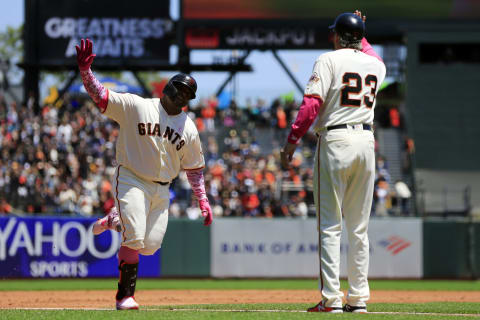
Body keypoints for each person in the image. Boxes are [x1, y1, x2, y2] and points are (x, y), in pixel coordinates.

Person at [76, 38, 213, 310]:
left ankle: (114, 220)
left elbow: (194, 169)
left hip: (163, 189)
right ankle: (125, 296)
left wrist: (203, 201)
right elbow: (101, 96)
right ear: (168, 88)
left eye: (187, 94)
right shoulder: (139, 106)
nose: (181, 95)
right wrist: (85, 71)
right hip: (132, 179)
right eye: (179, 89)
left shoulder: (189, 128)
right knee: (135, 237)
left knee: (149, 246)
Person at [281, 11, 386, 314]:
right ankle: (358, 299)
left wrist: (291, 143)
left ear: (339, 36)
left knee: (330, 227)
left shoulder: (328, 60)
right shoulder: (376, 65)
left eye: (334, 33)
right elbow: (368, 52)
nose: (331, 37)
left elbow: (311, 105)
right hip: (366, 143)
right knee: (359, 229)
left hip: (336, 140)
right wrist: (361, 31)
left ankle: (331, 299)